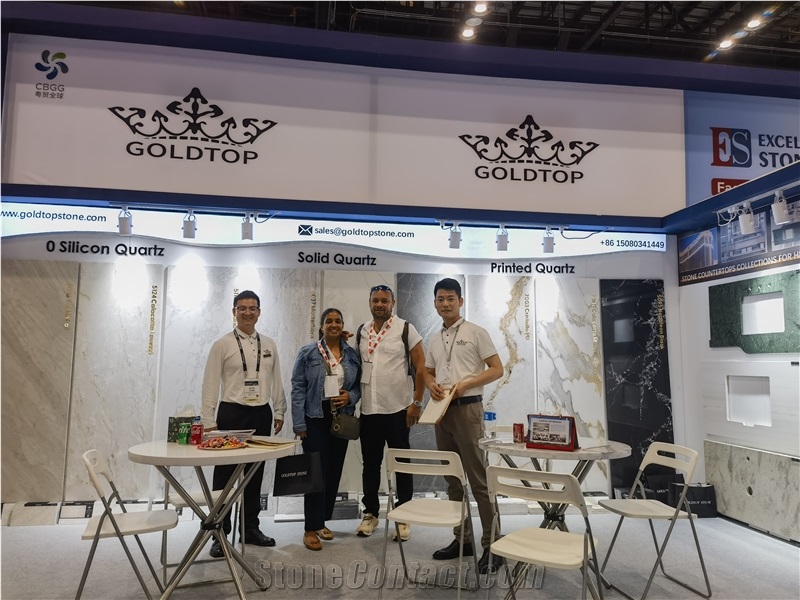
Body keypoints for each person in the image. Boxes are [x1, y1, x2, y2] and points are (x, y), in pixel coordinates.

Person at [424, 278, 504, 574]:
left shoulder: (475, 332)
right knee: (453, 480)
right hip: (441, 412)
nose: (445, 303)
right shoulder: (434, 338)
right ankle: (463, 539)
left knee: (479, 480)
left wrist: (466, 384)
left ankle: (493, 545)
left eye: (450, 298)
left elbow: (497, 369)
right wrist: (430, 384)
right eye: (440, 299)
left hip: (468, 409)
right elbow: (428, 372)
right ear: (435, 303)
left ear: (460, 301)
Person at [201, 290, 286, 558]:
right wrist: (208, 421)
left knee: (254, 474)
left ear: (259, 312)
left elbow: (276, 379)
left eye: (252, 308)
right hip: (231, 413)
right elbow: (210, 383)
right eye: (242, 308)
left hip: (261, 413)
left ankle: (250, 528)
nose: (247, 312)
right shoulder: (222, 344)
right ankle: (219, 533)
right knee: (225, 476)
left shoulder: (269, 344)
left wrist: (279, 409)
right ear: (234, 312)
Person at [355, 284, 426, 540]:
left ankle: (404, 515)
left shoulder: (405, 328)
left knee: (401, 464)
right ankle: (370, 514)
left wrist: (416, 403)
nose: (379, 304)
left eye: (384, 300)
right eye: (375, 300)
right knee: (370, 466)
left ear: (392, 303)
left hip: (398, 409)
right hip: (369, 410)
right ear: (369, 302)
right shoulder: (362, 331)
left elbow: (421, 368)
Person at [291, 308, 361, 551]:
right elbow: (298, 386)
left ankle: (321, 521)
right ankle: (310, 528)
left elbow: (358, 386)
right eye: (329, 321)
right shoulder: (308, 352)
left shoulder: (351, 354)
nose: (333, 324)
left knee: (333, 470)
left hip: (341, 416)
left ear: (342, 325)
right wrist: (299, 423)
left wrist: (350, 396)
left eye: (337, 321)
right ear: (321, 326)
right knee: (315, 473)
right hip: (314, 416)